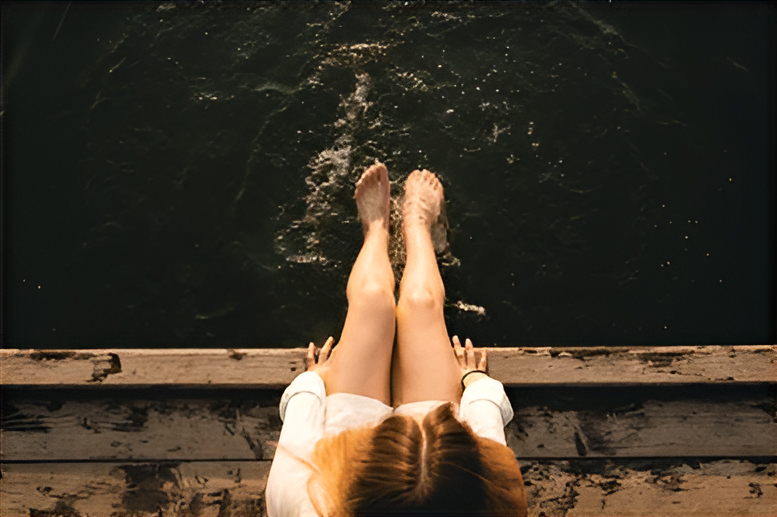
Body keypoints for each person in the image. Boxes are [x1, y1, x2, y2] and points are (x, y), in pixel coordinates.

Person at [266, 162, 528, 517]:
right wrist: (476, 384)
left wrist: (316, 379)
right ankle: (417, 227)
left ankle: (376, 229)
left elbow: (299, 424)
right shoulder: (486, 499)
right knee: (420, 303)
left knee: (373, 298)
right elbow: (485, 445)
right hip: (415, 471)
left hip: (345, 452)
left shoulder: (307, 502)